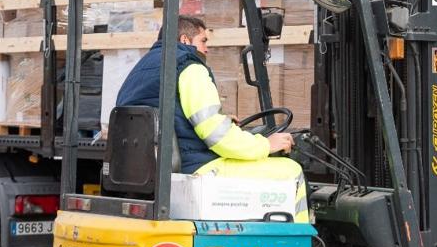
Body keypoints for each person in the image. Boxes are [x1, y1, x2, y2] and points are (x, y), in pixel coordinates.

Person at [115, 15, 307, 221]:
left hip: (153, 172)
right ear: (185, 40)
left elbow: (174, 116)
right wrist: (265, 145)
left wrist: (223, 120)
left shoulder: (141, 70)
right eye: (203, 41)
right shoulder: (190, 67)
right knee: (291, 170)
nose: (207, 49)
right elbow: (216, 135)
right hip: (195, 168)